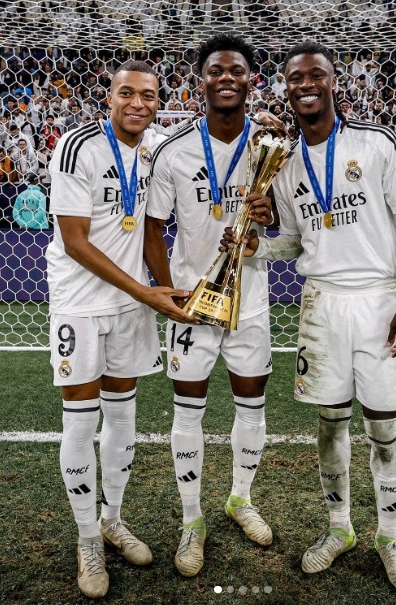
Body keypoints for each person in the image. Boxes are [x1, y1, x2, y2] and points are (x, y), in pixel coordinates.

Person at [223, 41, 396, 594]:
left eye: (316, 75)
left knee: (383, 427)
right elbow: (293, 241)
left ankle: (389, 537)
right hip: (321, 302)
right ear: (286, 88)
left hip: (379, 300)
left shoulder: (376, 142)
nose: (306, 85)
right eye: (295, 78)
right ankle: (340, 529)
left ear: (333, 82)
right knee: (330, 422)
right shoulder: (285, 164)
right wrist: (256, 248)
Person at [46, 60, 197, 599]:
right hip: (81, 305)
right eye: (127, 93)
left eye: (148, 96)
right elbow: (75, 241)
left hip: (132, 306)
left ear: (159, 103)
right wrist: (146, 290)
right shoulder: (77, 146)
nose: (138, 103)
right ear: (108, 97)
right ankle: (87, 538)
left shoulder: (156, 149)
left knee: (122, 416)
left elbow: (202, 141)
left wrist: (262, 124)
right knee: (80, 423)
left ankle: (111, 519)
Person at [144, 33, 276, 578]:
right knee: (187, 410)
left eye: (236, 70)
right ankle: (192, 519)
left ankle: (240, 498)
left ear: (251, 80)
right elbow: (153, 226)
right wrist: (166, 291)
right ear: (200, 80)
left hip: (251, 301)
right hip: (193, 303)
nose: (226, 78)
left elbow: (287, 223)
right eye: (216, 70)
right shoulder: (173, 149)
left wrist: (264, 227)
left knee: (252, 405)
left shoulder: (272, 146)